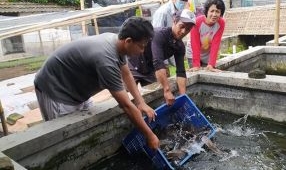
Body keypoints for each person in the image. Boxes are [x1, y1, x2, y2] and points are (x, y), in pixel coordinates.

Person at [34, 17, 159, 150]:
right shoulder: (106, 59)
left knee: (85, 129)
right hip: (55, 89)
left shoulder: (116, 43)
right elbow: (126, 105)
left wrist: (140, 102)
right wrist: (149, 135)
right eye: (142, 46)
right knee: (64, 139)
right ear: (128, 41)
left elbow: (127, 74)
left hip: (76, 87)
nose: (142, 51)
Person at [128, 9, 196, 106]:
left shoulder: (180, 46)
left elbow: (181, 72)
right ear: (174, 22)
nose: (184, 31)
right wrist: (167, 90)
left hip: (150, 69)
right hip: (133, 64)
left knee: (152, 100)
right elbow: (158, 62)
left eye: (188, 29)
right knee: (127, 98)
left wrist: (183, 97)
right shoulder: (159, 35)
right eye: (182, 26)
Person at [186, 0, 225, 72]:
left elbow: (216, 43)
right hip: (193, 53)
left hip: (207, 53)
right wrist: (196, 65)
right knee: (196, 72)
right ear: (207, 11)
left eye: (217, 11)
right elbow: (195, 44)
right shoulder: (197, 22)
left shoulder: (221, 23)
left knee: (208, 72)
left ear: (221, 13)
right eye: (212, 11)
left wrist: (211, 64)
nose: (214, 14)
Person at [152, 0, 189, 69]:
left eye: (186, 0)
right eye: (182, 0)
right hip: (157, 54)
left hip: (168, 50)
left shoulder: (180, 11)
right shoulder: (163, 12)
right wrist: (163, 64)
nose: (184, 2)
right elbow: (156, 38)